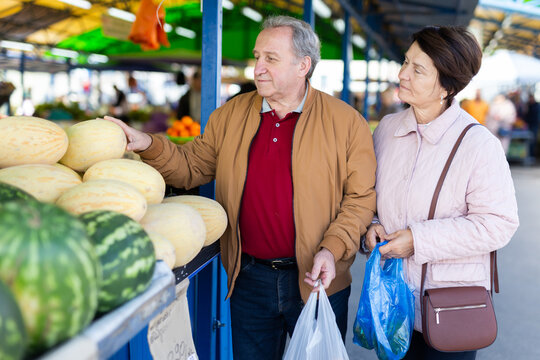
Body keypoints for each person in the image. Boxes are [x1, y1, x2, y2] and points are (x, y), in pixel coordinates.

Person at [106, 15, 376, 360]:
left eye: (271, 59)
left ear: (303, 66)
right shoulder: (230, 115)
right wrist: (147, 143)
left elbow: (360, 199)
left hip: (318, 279)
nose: (258, 68)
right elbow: (190, 168)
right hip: (249, 278)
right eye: (257, 56)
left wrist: (332, 248)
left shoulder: (346, 123)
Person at [363, 26, 519, 360]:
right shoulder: (388, 130)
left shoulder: (479, 145)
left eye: (417, 70)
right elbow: (370, 192)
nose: (402, 74)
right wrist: (372, 222)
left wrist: (417, 240)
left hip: (449, 309)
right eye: (405, 62)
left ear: (447, 87)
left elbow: (499, 224)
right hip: (393, 304)